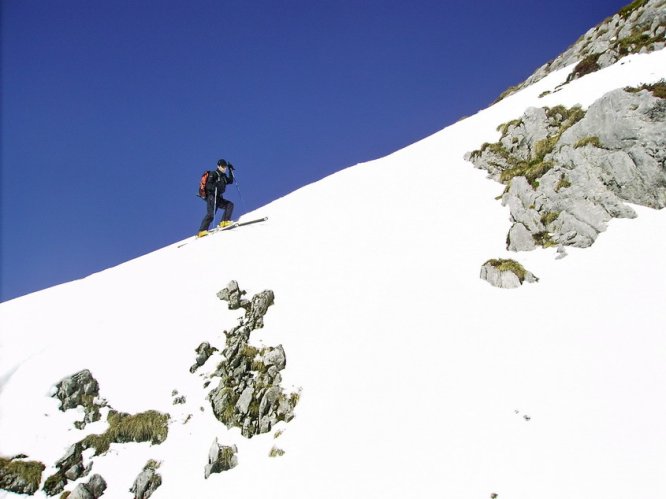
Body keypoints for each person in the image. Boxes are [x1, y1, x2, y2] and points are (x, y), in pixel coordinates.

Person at [197, 159, 235, 237]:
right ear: (218, 166)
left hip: (218, 197)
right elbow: (208, 185)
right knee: (211, 214)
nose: (224, 168)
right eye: (222, 166)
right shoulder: (213, 174)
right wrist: (215, 186)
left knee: (229, 205)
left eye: (225, 167)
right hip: (212, 197)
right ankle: (202, 231)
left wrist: (231, 171)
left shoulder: (223, 176)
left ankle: (224, 221)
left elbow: (230, 181)